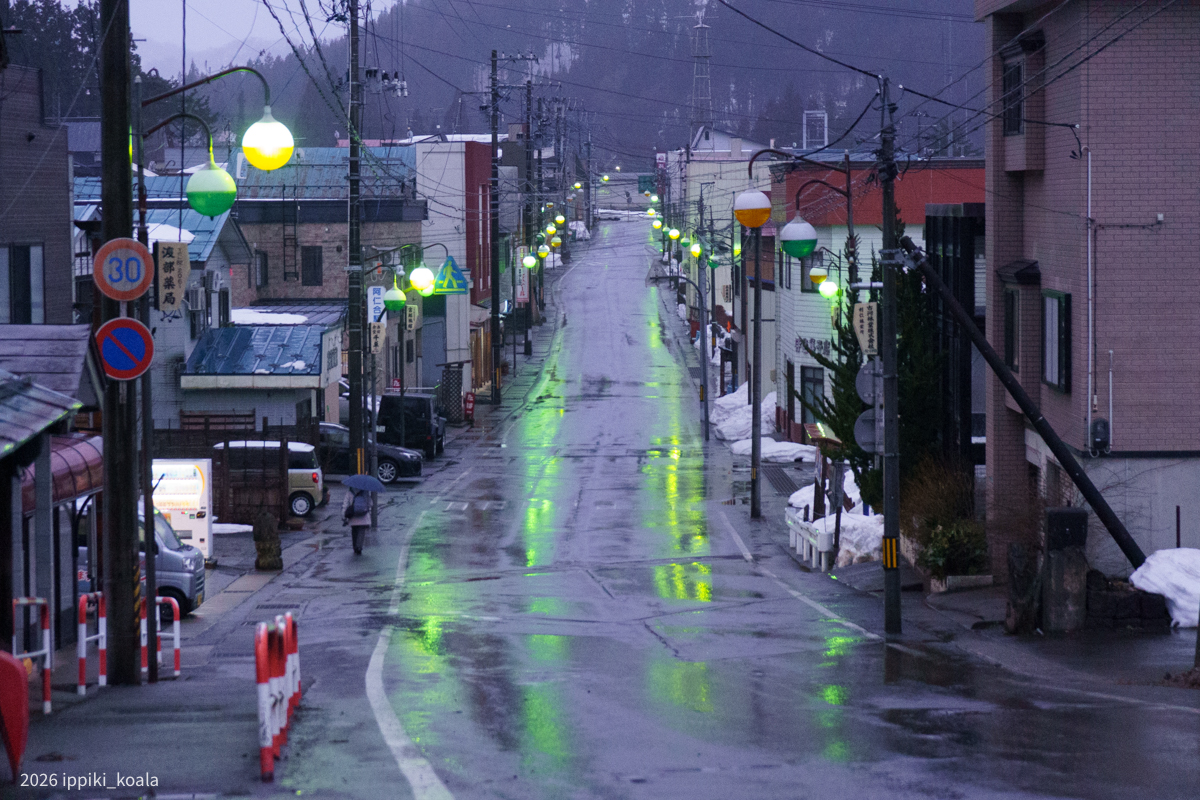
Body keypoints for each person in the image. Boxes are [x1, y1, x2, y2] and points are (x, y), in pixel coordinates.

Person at [342, 487, 371, 554]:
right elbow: (370, 503)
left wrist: (344, 516)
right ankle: (359, 546)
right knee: (361, 531)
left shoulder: (349, 492)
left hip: (353, 517)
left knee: (354, 531)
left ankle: (355, 547)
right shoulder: (365, 491)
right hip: (363, 517)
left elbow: (345, 505)